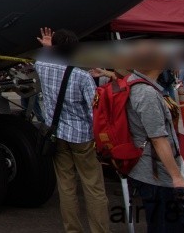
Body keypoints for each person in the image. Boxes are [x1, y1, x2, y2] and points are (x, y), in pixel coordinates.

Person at [34, 27, 109, 233]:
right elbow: (95, 110)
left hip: (57, 135)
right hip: (82, 136)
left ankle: (72, 229)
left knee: (66, 187)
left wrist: (49, 47)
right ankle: (100, 230)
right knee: (93, 187)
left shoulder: (42, 66)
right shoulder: (82, 77)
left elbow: (45, 59)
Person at [127, 44, 184, 232]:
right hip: (156, 174)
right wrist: (177, 178)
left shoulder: (135, 83)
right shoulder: (147, 94)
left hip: (149, 170)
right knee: (170, 225)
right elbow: (158, 138)